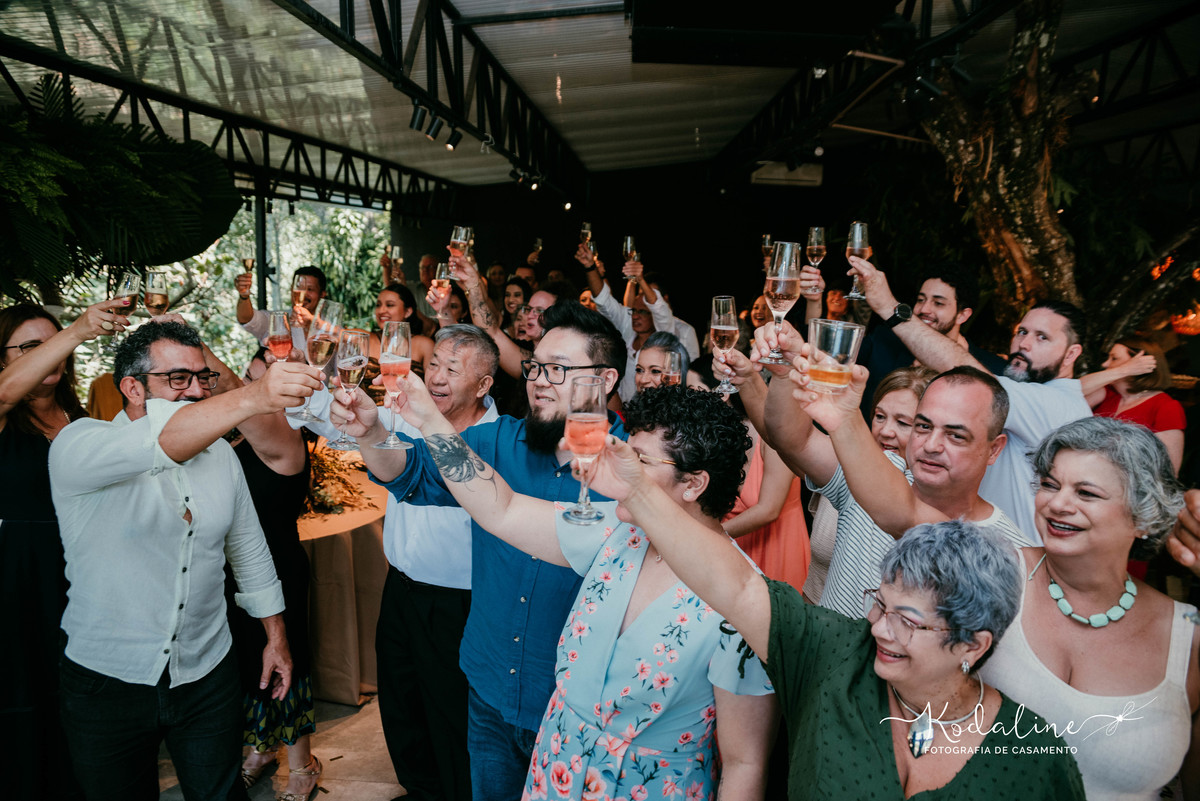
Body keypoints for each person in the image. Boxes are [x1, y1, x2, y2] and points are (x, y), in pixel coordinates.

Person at [577, 440, 1086, 799]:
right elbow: (735, 584)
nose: (880, 628)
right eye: (880, 603)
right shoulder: (835, 654)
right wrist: (639, 494)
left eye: (907, 621)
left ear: (972, 645)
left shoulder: (1033, 760)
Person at [383, 382, 777, 798]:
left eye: (639, 460)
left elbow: (744, 762)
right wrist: (428, 418)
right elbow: (502, 509)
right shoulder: (616, 529)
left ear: (694, 483)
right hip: (554, 774)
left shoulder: (744, 599)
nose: (620, 469)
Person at [329, 301, 628, 800]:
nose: (538, 380)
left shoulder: (630, 468)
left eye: (558, 369)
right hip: (488, 691)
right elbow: (411, 472)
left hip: (574, 708)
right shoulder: (497, 441)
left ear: (606, 379)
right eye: (534, 366)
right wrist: (373, 434)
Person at [49, 320, 323, 800]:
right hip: (106, 681)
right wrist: (257, 395)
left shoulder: (221, 456)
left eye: (203, 377)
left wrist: (276, 638)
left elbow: (251, 552)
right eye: (178, 379)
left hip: (206, 672)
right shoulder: (81, 445)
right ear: (132, 388)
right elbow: (161, 442)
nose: (196, 390)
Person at [302, 325, 500, 801]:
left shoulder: (499, 437)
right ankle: (418, 789)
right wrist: (312, 377)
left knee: (451, 715)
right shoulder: (407, 417)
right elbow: (337, 424)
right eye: (433, 363)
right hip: (402, 590)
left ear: (484, 384)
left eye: (452, 369)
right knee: (401, 706)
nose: (436, 375)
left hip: (462, 604)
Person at [977, 417, 1197, 801]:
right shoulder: (990, 571)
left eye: (1087, 493)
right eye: (1050, 484)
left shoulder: (1188, 639)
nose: (1057, 504)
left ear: (1143, 517)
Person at [753, 322, 1029, 617]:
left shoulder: (1006, 548)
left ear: (994, 449)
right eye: (923, 426)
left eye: (955, 435)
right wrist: (787, 370)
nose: (932, 445)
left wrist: (847, 418)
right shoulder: (875, 472)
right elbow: (793, 439)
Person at [847, 256, 1092, 543]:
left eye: (1042, 338)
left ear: (1072, 354)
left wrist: (888, 307)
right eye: (1022, 332)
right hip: (975, 547)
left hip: (1011, 561)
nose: (1024, 344)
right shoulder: (1032, 394)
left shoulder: (1057, 403)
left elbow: (965, 371)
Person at [1, 300, 122, 801]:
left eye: (55, 345)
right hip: (18, 578)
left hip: (81, 576)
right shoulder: (6, 413)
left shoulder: (78, 417)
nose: (51, 355)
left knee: (77, 703)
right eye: (33, 347)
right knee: (23, 701)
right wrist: (73, 330)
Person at [209, 347, 320, 801]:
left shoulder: (286, 444)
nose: (258, 391)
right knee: (245, 666)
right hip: (228, 574)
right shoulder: (230, 441)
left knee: (282, 666)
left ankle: (302, 764)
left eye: (267, 384)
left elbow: (234, 390)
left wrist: (193, 342)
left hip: (278, 571)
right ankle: (259, 749)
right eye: (257, 380)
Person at [802, 366, 937, 604]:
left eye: (903, 423)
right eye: (880, 416)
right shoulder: (844, 470)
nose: (886, 431)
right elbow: (789, 439)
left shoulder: (929, 503)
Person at [855, 264, 1006, 417]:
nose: (924, 309)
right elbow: (837, 360)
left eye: (938, 303)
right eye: (921, 300)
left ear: (963, 315)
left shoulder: (994, 370)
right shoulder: (883, 341)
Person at [1082, 336, 1185, 473]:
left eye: (1114, 358)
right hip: (1086, 470)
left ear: (1140, 363)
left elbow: (1169, 468)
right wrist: (1123, 370)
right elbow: (1074, 391)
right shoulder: (1107, 393)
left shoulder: (1166, 406)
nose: (1105, 364)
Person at [235, 265, 327, 350]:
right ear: (291, 289)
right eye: (299, 287)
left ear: (322, 294)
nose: (303, 293)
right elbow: (247, 319)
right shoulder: (276, 319)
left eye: (310, 289)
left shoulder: (330, 327)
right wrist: (244, 295)